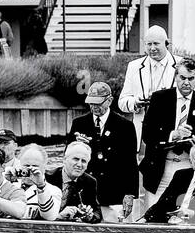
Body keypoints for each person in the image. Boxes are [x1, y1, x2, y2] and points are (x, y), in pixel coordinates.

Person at [139, 56, 195, 205]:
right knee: (153, 216)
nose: (186, 82)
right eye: (182, 77)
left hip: (189, 165)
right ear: (175, 76)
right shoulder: (159, 99)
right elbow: (147, 135)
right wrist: (174, 134)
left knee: (184, 213)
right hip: (160, 166)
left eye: (191, 79)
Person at [67, 81, 139, 222]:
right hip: (85, 195)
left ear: (109, 101)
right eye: (91, 103)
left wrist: (130, 194)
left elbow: (130, 163)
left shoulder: (125, 126)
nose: (94, 107)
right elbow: (68, 158)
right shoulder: (79, 124)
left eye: (98, 103)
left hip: (115, 194)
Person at [118, 25, 182, 144]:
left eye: (156, 43)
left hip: (172, 132)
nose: (152, 48)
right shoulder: (134, 67)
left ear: (166, 43)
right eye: (148, 44)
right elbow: (122, 102)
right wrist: (135, 103)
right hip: (143, 132)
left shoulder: (181, 64)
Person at [48, 141, 103, 223]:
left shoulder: (90, 181)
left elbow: (97, 213)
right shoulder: (48, 177)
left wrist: (90, 216)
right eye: (76, 159)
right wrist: (58, 216)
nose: (79, 164)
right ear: (64, 160)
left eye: (84, 161)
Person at [14, 142, 63, 220]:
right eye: (26, 165)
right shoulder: (10, 185)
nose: (30, 169)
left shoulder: (53, 191)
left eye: (35, 166)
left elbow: (50, 216)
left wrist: (41, 186)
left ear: (44, 167)